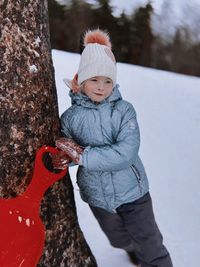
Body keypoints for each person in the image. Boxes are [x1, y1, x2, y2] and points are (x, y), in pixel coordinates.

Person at [52, 29, 173, 267]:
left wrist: (83, 155)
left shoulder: (123, 111)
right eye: (95, 80)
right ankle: (132, 250)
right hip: (98, 196)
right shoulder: (70, 117)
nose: (101, 86)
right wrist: (66, 158)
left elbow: (125, 153)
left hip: (132, 193)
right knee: (118, 240)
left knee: (150, 243)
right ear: (81, 81)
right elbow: (72, 151)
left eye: (108, 81)